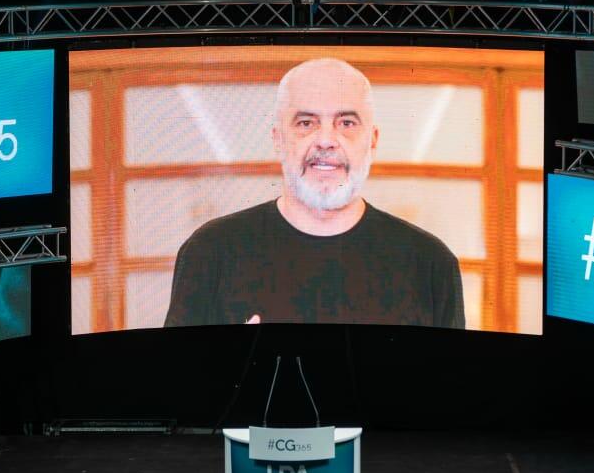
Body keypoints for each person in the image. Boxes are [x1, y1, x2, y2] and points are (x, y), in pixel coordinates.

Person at [164, 57, 465, 328]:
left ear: (372, 141)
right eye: (306, 122)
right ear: (278, 139)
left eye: (346, 123)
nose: (325, 140)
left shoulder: (431, 264)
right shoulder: (211, 252)